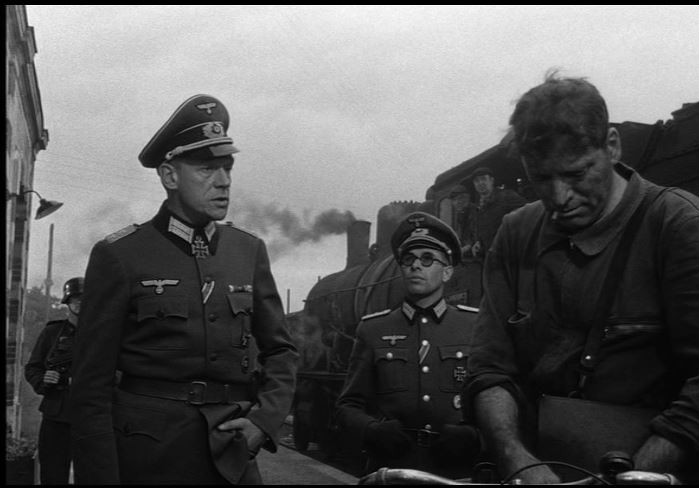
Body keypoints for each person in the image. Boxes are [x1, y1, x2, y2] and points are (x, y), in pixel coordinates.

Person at [463, 73, 699, 484]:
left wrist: (632, 476)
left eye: (576, 174)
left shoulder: (679, 225)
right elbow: (489, 369)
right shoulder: (516, 233)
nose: (559, 198)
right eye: (541, 179)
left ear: (611, 146)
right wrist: (516, 460)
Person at [67, 94, 299, 484]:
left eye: (227, 168)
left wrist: (264, 421)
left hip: (232, 458)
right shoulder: (120, 255)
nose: (223, 181)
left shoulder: (248, 251)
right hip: (148, 457)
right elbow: (91, 388)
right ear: (170, 176)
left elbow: (281, 351)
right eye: (207, 169)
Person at [335, 212, 483, 480]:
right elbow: (347, 406)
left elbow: (496, 401)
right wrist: (372, 430)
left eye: (427, 259)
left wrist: (474, 435)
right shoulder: (373, 329)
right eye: (408, 259)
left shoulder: (474, 326)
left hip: (455, 472)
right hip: (392, 471)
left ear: (447, 271)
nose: (416, 265)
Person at [24, 277, 83, 484]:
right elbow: (32, 367)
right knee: (52, 474)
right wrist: (43, 379)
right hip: (56, 411)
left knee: (94, 473)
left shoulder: (101, 335)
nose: (80, 303)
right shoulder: (52, 332)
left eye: (85, 298)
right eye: (75, 298)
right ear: (67, 301)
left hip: (91, 413)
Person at [469, 166, 526, 258]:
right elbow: (480, 227)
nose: (480, 183)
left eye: (483, 179)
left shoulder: (507, 196)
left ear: (492, 180)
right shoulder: (478, 207)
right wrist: (478, 241)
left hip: (509, 254)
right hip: (490, 255)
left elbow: (527, 216)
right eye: (476, 181)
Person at [449, 183, 478, 259]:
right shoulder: (460, 214)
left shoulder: (475, 212)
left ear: (467, 198)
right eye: (454, 200)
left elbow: (476, 237)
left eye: (460, 198)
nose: (458, 202)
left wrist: (463, 249)